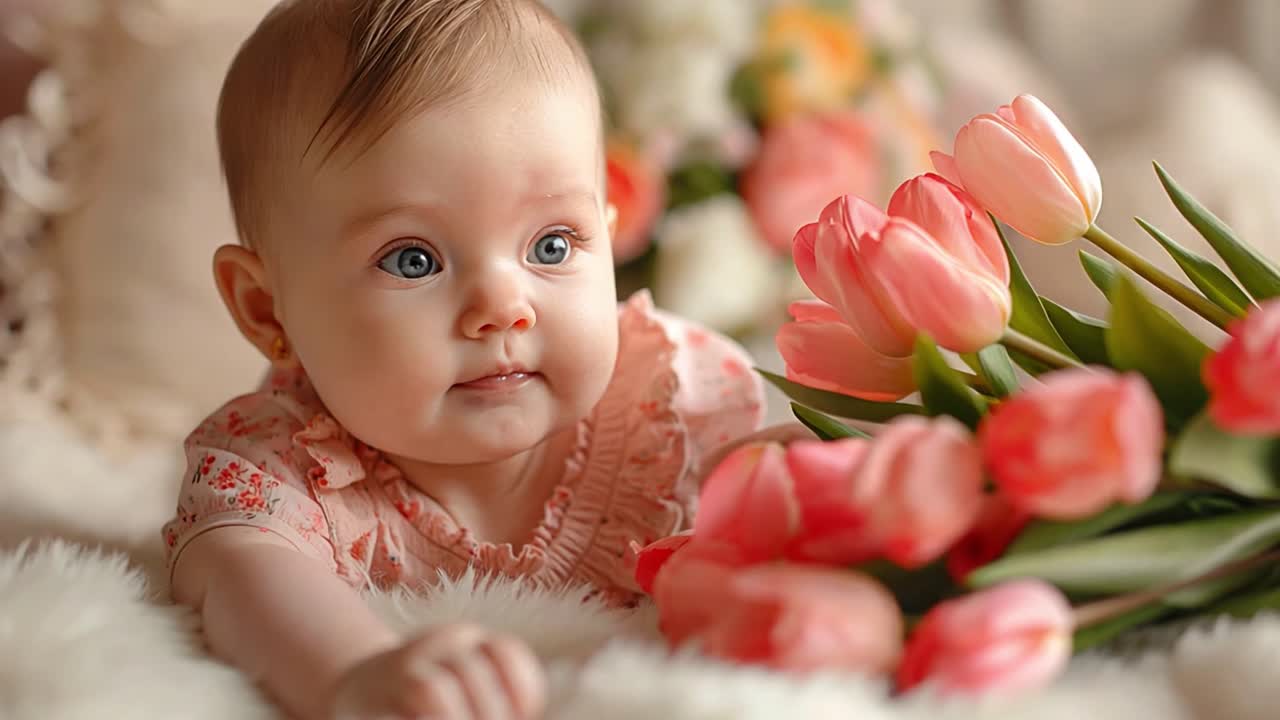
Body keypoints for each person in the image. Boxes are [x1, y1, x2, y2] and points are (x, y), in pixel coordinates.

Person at [163, 1, 802, 717]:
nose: (504, 306)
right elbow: (237, 575)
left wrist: (829, 469)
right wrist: (354, 671)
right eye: (413, 259)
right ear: (265, 308)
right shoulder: (285, 464)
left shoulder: (668, 403)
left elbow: (769, 487)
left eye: (552, 245)